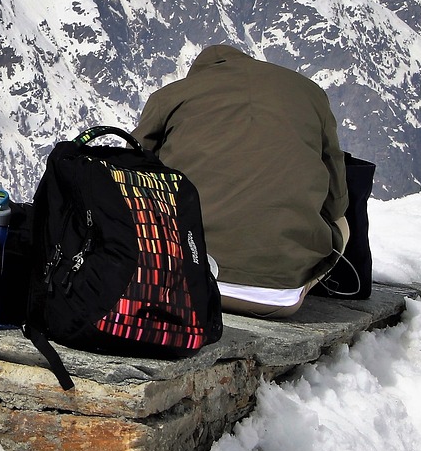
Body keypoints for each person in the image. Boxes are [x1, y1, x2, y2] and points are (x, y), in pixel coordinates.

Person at [133, 44, 348, 319]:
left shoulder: (171, 95)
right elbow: (336, 200)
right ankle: (284, 279)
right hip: (275, 299)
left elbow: (132, 175)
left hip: (177, 283)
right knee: (342, 223)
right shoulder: (310, 93)